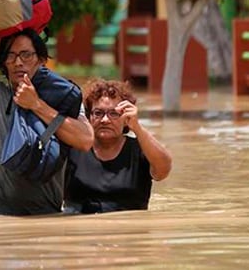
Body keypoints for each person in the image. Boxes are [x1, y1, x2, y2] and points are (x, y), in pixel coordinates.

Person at [0, 28, 94, 216]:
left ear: (41, 60)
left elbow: (85, 140)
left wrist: (37, 105)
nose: (18, 62)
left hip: (47, 217)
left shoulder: (64, 100)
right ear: (2, 63)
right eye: (10, 56)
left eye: (26, 55)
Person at [63, 79, 172, 214]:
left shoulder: (140, 150)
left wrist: (137, 127)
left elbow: (164, 170)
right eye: (98, 113)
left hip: (128, 228)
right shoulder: (72, 148)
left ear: (126, 118)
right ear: (88, 116)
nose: (105, 120)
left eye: (114, 113)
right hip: (80, 228)